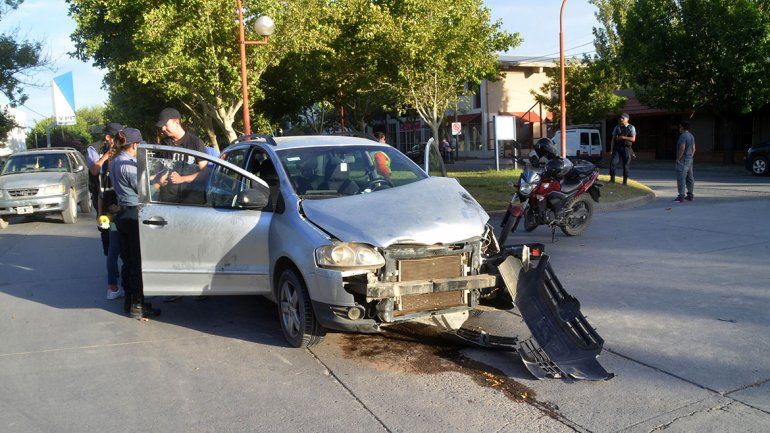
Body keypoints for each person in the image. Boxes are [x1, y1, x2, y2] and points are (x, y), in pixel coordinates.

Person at [110, 128, 159, 319]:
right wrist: (159, 184)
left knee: (128, 260)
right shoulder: (128, 164)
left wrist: (152, 178)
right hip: (132, 214)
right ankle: (138, 304)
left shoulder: (115, 162)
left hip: (123, 213)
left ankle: (129, 300)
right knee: (137, 261)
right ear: (135, 145)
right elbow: (143, 190)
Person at [156, 108, 208, 203]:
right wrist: (160, 180)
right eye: (162, 126)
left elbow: (205, 173)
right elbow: (157, 170)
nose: (163, 129)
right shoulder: (164, 144)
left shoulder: (196, 142)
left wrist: (182, 179)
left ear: (176, 122)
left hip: (191, 202)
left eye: (165, 125)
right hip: (167, 201)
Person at [609, 113, 637, 185]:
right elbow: (613, 140)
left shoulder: (631, 127)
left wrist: (623, 137)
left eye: (623, 118)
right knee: (613, 163)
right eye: (620, 118)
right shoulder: (617, 127)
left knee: (626, 165)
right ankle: (612, 180)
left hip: (627, 149)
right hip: (617, 148)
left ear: (627, 119)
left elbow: (633, 139)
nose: (621, 119)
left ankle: (625, 182)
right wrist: (611, 150)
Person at [674, 121, 696, 203]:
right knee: (690, 178)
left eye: (680, 127)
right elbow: (694, 149)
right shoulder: (691, 135)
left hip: (683, 159)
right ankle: (690, 195)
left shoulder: (683, 136)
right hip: (690, 158)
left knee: (681, 178)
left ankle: (681, 196)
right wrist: (691, 156)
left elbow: (682, 148)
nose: (679, 128)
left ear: (682, 127)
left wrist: (678, 158)